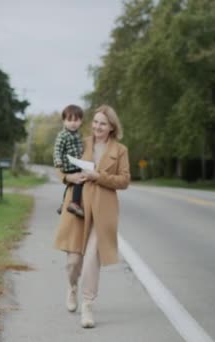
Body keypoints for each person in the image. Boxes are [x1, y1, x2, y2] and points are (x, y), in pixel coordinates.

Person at [53, 104, 130, 328]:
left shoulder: (120, 150)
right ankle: (72, 287)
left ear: (112, 127)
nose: (97, 126)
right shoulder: (80, 141)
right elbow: (60, 164)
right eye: (95, 122)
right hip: (77, 207)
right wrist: (69, 178)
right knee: (73, 262)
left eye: (103, 123)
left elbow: (124, 180)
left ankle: (87, 307)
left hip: (103, 211)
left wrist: (99, 176)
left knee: (91, 261)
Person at [53, 104, 85, 218]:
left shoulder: (78, 134)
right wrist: (58, 161)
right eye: (69, 120)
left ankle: (64, 204)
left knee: (70, 185)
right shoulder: (63, 135)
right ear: (64, 121)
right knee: (79, 181)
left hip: (77, 163)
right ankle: (74, 203)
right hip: (69, 165)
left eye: (76, 120)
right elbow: (57, 149)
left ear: (81, 121)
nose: (73, 123)